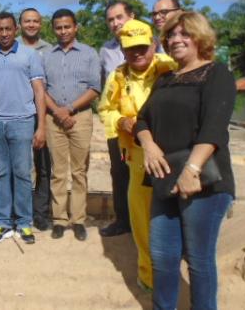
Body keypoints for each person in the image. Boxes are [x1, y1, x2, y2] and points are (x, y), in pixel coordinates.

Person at [136, 12, 236, 310]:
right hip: (165, 178)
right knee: (163, 257)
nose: (176, 40)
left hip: (203, 181)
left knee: (198, 260)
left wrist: (192, 169)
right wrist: (149, 145)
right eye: (170, 35)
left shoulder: (217, 73)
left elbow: (214, 126)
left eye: (184, 34)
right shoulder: (165, 79)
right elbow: (141, 119)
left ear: (200, 37)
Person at [98, 19, 176, 292]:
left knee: (171, 216)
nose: (137, 53)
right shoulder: (118, 76)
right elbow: (105, 108)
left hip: (173, 155)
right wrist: (120, 122)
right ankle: (148, 275)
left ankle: (174, 268)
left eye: (142, 47)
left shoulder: (169, 68)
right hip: (138, 157)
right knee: (141, 219)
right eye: (130, 48)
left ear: (154, 45)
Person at [0, 12, 46, 244]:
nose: (4, 33)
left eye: (8, 29)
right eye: (0, 29)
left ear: (16, 29)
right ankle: (3, 223)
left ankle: (24, 223)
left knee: (22, 173)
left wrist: (42, 126)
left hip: (23, 121)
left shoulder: (30, 56)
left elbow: (39, 91)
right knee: (1, 174)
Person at [43, 9, 101, 241]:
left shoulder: (89, 53)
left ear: (75, 27)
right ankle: (58, 219)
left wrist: (70, 109)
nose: (63, 31)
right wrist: (57, 111)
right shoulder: (47, 55)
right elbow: (41, 88)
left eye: (67, 26)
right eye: (59, 27)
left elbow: (95, 88)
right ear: (54, 29)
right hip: (53, 118)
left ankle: (78, 220)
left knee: (79, 171)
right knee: (58, 172)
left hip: (81, 117)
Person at [98, 2, 134, 237]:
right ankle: (124, 221)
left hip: (147, 123)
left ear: (132, 16)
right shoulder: (106, 51)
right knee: (119, 172)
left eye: (119, 17)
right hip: (117, 124)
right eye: (111, 20)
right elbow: (105, 88)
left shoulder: (155, 45)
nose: (115, 23)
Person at [16, 7, 53, 231]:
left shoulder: (49, 50)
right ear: (20, 25)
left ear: (41, 24)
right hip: (18, 115)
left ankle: (40, 213)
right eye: (27, 21)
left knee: (43, 166)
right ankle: (21, 211)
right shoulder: (12, 47)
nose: (31, 25)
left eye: (35, 21)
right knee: (20, 167)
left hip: (44, 115)